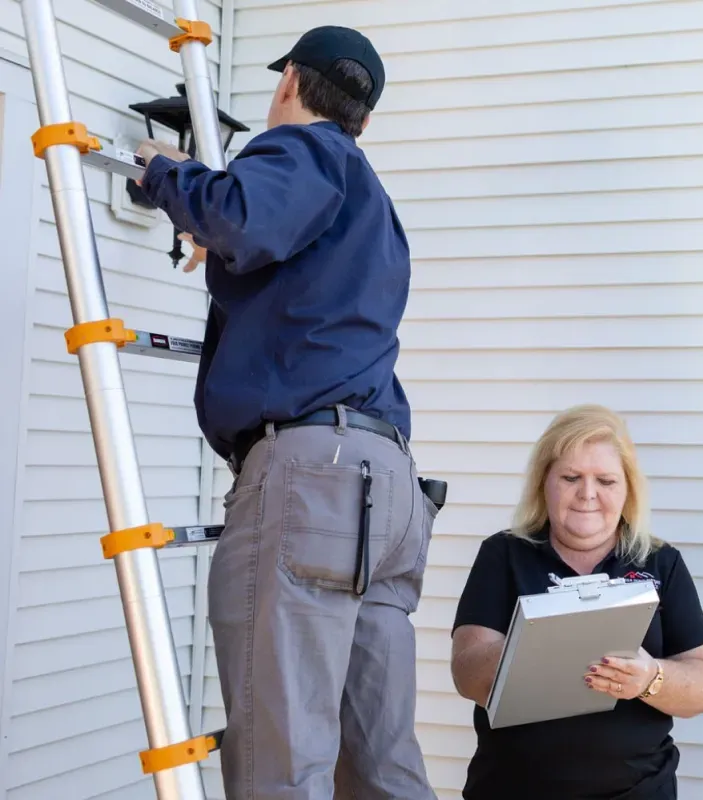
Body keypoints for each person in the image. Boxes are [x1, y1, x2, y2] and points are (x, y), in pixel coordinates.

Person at [135, 26, 438, 800]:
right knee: (380, 762)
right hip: (389, 487)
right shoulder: (372, 206)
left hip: (315, 482)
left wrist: (172, 177)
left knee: (282, 759)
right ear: (364, 115)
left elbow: (242, 218)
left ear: (290, 82)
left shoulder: (304, 151)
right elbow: (265, 248)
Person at [450, 404, 703, 800]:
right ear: (544, 482)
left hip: (639, 790)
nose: (588, 494)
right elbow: (467, 675)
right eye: (571, 477)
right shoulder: (504, 554)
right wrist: (533, 646)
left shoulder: (660, 562)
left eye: (606, 480)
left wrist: (650, 679)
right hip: (512, 788)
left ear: (628, 488)